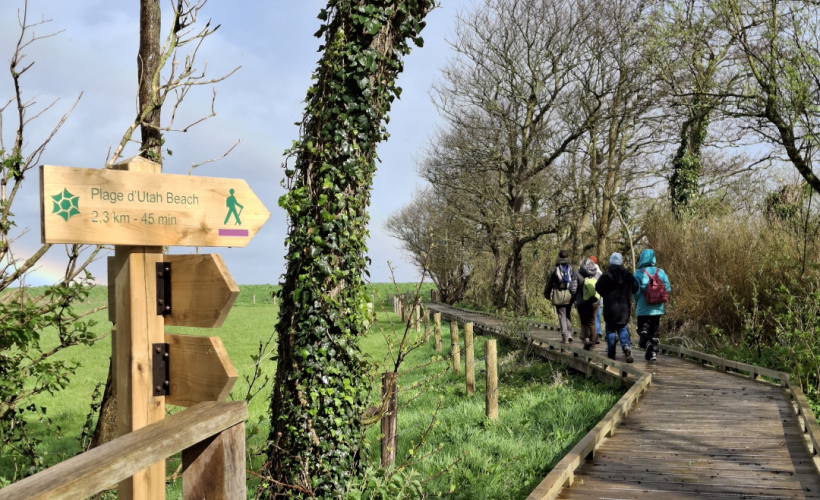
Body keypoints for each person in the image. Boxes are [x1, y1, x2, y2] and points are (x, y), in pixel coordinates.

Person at [595, 252, 639, 362]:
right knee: (622, 327)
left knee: (610, 330)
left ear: (610, 262)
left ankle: (611, 353)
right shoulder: (628, 275)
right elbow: (636, 288)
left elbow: (598, 287)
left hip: (610, 307)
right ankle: (626, 345)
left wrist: (606, 294)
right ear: (621, 262)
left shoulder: (605, 275)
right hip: (624, 308)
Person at [633, 249, 672, 364]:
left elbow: (634, 291)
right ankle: (653, 352)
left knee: (643, 330)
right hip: (657, 308)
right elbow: (668, 289)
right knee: (653, 330)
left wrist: (637, 302)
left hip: (643, 308)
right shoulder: (661, 272)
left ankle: (647, 344)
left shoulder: (638, 273)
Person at [544, 250, 577, 343]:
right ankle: (569, 334)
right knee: (567, 315)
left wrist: (547, 294)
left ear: (559, 257)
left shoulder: (554, 268)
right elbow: (575, 281)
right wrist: (575, 295)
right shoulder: (572, 267)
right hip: (569, 294)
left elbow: (549, 282)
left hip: (558, 294)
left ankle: (565, 337)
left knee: (562, 315)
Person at [575, 258, 601, 350]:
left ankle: (586, 340)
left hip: (582, 302)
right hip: (595, 302)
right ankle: (593, 343)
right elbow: (601, 288)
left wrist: (576, 297)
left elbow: (572, 288)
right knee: (592, 321)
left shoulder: (578, 274)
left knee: (584, 322)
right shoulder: (597, 274)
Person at [589, 255, 603, 344]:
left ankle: (595, 334)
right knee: (598, 316)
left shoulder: (589, 271)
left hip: (592, 298)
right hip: (600, 298)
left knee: (593, 317)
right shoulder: (600, 273)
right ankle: (598, 332)